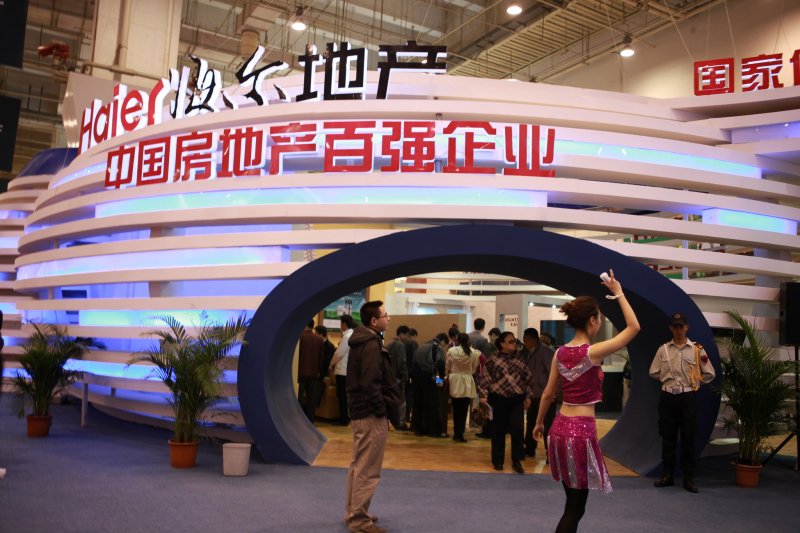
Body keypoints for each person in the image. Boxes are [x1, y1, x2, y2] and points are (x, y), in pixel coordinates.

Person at [534, 269, 639, 533]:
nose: (600, 322)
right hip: (580, 433)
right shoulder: (594, 352)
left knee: (572, 503)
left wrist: (538, 423)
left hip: (559, 429)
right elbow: (634, 328)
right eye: (599, 318)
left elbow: (547, 393)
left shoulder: (560, 352)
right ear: (592, 320)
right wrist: (619, 293)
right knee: (575, 508)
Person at [344, 301, 401, 533]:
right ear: (374, 321)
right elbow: (370, 383)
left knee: (359, 465)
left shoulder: (363, 341)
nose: (389, 318)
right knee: (368, 468)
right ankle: (359, 520)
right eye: (385, 315)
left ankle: (354, 512)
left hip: (361, 410)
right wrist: (381, 410)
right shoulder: (370, 345)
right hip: (369, 413)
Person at [649, 312, 715, 493]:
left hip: (687, 398)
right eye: (675, 326)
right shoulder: (663, 349)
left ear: (687, 327)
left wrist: (695, 383)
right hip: (668, 397)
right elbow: (653, 372)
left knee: (688, 437)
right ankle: (667, 474)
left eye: (681, 326)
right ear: (670, 328)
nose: (678, 330)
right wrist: (667, 379)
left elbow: (710, 373)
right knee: (667, 437)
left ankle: (688, 477)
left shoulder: (697, 350)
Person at [479, 331, 534, 474]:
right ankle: (498, 461)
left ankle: (517, 460)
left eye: (515, 341)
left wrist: (528, 396)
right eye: (510, 341)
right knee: (498, 431)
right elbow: (485, 379)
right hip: (498, 399)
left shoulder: (520, 359)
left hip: (517, 399)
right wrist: (483, 395)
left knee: (517, 429)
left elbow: (528, 379)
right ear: (502, 344)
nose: (514, 344)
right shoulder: (493, 359)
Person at [522, 327, 555, 458]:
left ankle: (550, 453)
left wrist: (552, 392)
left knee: (548, 424)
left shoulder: (546, 351)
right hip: (534, 394)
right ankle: (530, 448)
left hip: (545, 395)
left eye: (526, 340)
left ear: (533, 339)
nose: (524, 342)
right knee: (531, 421)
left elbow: (554, 373)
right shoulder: (531, 352)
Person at [411, 333, 448, 437]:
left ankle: (418, 430)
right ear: (443, 341)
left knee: (418, 404)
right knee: (433, 404)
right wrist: (441, 380)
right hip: (428, 378)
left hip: (416, 377)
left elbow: (413, 362)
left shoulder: (421, 346)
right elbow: (440, 366)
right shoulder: (438, 348)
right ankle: (435, 431)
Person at [446, 332, 480, 442]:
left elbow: (448, 366)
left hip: (455, 380)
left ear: (458, 340)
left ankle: (456, 433)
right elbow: (474, 368)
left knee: (456, 408)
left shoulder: (451, 351)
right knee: (464, 408)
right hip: (467, 380)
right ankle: (460, 433)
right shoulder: (474, 352)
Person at [329, 314, 355, 425]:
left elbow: (339, 354)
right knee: (346, 396)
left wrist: (331, 364)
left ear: (344, 324)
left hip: (342, 370)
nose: (340, 325)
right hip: (348, 370)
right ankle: (346, 418)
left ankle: (343, 420)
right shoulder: (352, 335)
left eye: (341, 323)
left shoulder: (347, 337)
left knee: (342, 396)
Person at [298, 320, 325, 422]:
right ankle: (310, 420)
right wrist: (318, 371)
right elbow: (321, 358)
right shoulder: (319, 339)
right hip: (314, 373)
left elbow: (297, 356)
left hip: (300, 372)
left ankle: (299, 420)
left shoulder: (300, 337)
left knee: (300, 397)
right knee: (311, 398)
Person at [386, 326, 410, 430]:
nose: (407, 338)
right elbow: (402, 362)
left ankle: (387, 423)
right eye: (407, 335)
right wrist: (404, 376)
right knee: (401, 401)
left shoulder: (388, 344)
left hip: (388, 378)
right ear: (401, 334)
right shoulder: (400, 345)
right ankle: (400, 423)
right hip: (398, 379)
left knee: (389, 401)